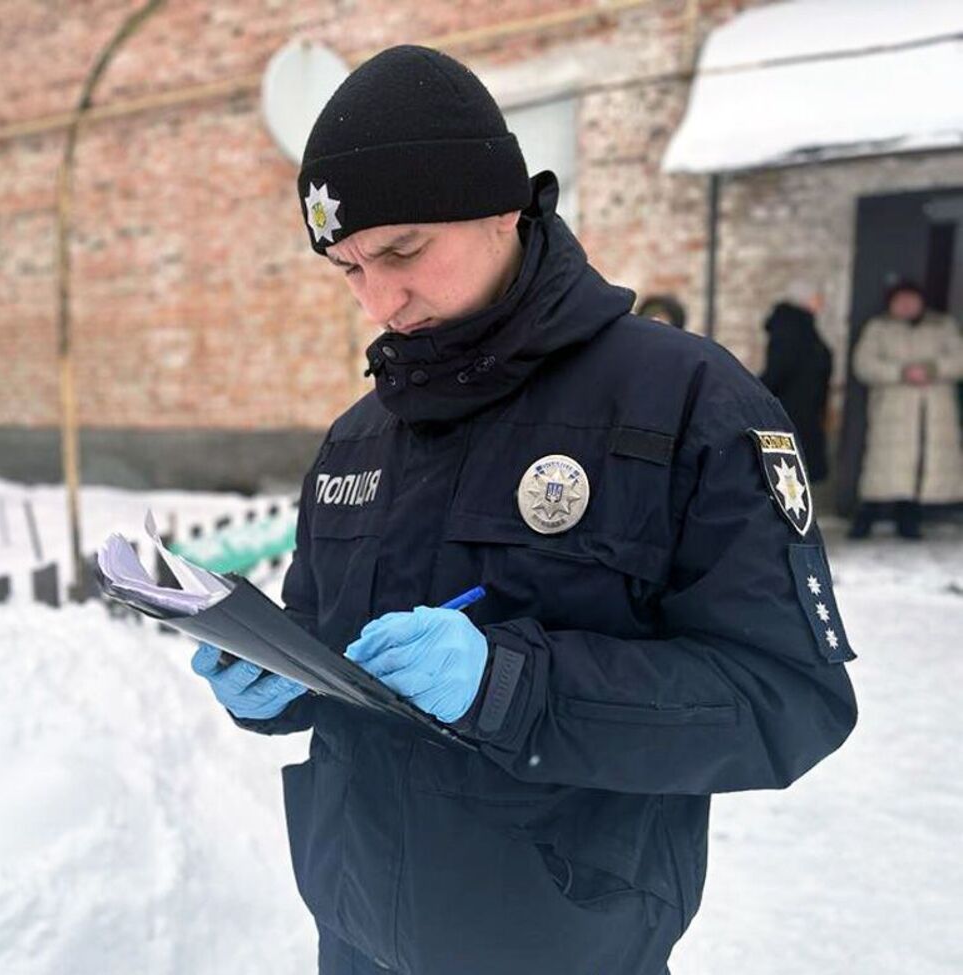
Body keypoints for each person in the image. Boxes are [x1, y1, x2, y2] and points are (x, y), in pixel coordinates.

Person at [190, 46, 857, 975]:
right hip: (357, 937)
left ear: (502, 204)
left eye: (402, 250)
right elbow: (326, 636)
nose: (380, 300)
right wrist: (271, 669)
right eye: (347, 269)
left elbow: (788, 699)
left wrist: (513, 685)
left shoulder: (683, 403)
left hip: (564, 944)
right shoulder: (355, 437)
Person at [849, 281, 963, 539]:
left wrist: (932, 369)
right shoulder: (879, 328)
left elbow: (959, 357)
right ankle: (864, 519)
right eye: (900, 301)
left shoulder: (942, 327)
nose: (907, 306)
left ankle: (909, 521)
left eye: (911, 300)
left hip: (932, 412)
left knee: (921, 466)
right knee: (882, 469)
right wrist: (901, 372)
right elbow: (864, 363)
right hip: (893, 411)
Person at [759, 291, 833, 483]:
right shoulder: (801, 333)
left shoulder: (791, 331)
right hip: (801, 412)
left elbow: (775, 374)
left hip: (791, 411)